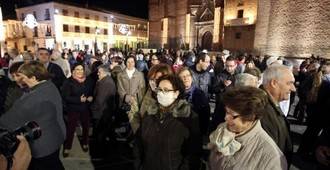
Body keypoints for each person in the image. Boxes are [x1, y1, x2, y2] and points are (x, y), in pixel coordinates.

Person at [0, 61, 66, 170]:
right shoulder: (49, 85)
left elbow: (7, 122)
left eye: (24, 77)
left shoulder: (33, 98)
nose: (21, 80)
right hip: (56, 137)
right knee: (54, 163)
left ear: (34, 78)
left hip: (42, 145)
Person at [208, 86, 287, 170]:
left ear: (251, 117)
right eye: (226, 112)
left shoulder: (272, 158)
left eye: (232, 115)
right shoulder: (223, 129)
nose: (226, 118)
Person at [135, 75, 202, 170]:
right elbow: (138, 143)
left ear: (176, 93)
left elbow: (193, 153)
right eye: (159, 89)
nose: (161, 93)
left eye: (166, 90)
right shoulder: (149, 113)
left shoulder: (188, 117)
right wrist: (138, 165)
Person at [260, 65, 295, 164]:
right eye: (289, 83)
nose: (293, 89)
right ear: (274, 83)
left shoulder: (270, 104)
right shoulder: (262, 110)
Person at [61, 63, 94, 157]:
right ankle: (67, 147)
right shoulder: (68, 82)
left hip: (85, 108)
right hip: (73, 108)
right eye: (77, 69)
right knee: (70, 129)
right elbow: (65, 97)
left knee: (86, 127)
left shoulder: (88, 80)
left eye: (81, 69)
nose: (80, 71)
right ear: (73, 71)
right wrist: (78, 99)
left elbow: (91, 92)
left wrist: (91, 97)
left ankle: (85, 143)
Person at [178, 67, 210, 136]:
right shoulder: (176, 94)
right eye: (182, 76)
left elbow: (205, 114)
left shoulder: (200, 93)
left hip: (195, 131)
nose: (186, 78)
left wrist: (202, 132)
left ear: (191, 77)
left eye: (187, 75)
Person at [117, 55, 146, 132]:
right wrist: (127, 97)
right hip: (124, 101)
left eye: (132, 62)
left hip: (135, 102)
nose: (130, 64)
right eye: (128, 62)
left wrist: (140, 102)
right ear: (125, 63)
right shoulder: (120, 75)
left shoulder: (140, 74)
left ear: (135, 63)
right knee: (128, 122)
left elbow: (142, 89)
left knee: (135, 121)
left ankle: (135, 137)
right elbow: (120, 89)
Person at [90, 65, 117, 140]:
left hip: (101, 113)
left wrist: (91, 108)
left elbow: (99, 100)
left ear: (105, 73)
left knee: (99, 134)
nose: (97, 74)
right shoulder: (104, 80)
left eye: (99, 72)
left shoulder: (106, 83)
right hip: (103, 112)